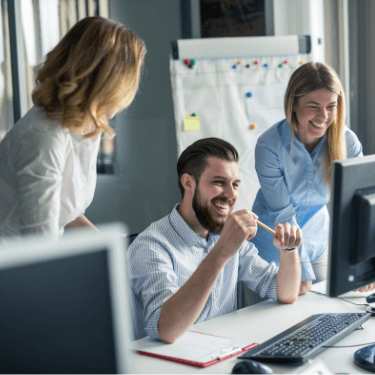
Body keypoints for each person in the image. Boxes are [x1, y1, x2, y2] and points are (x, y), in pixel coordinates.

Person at [128, 138, 303, 343]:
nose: (230, 195)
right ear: (188, 183)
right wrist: (222, 251)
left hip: (220, 352)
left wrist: (289, 250)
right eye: (219, 182)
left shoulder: (224, 234)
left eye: (235, 185)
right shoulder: (150, 246)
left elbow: (285, 293)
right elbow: (166, 330)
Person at [0, 16, 146, 241]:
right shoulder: (42, 139)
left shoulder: (83, 123)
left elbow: (66, 211)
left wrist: (114, 246)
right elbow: (42, 246)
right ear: (104, 84)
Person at [246, 62, 374, 294]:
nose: (323, 116)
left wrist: (363, 265)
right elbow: (284, 216)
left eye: (331, 106)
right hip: (271, 247)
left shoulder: (348, 143)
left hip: (316, 243)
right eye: (313, 106)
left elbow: (358, 209)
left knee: (327, 317)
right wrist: (299, 272)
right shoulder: (269, 146)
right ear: (293, 104)